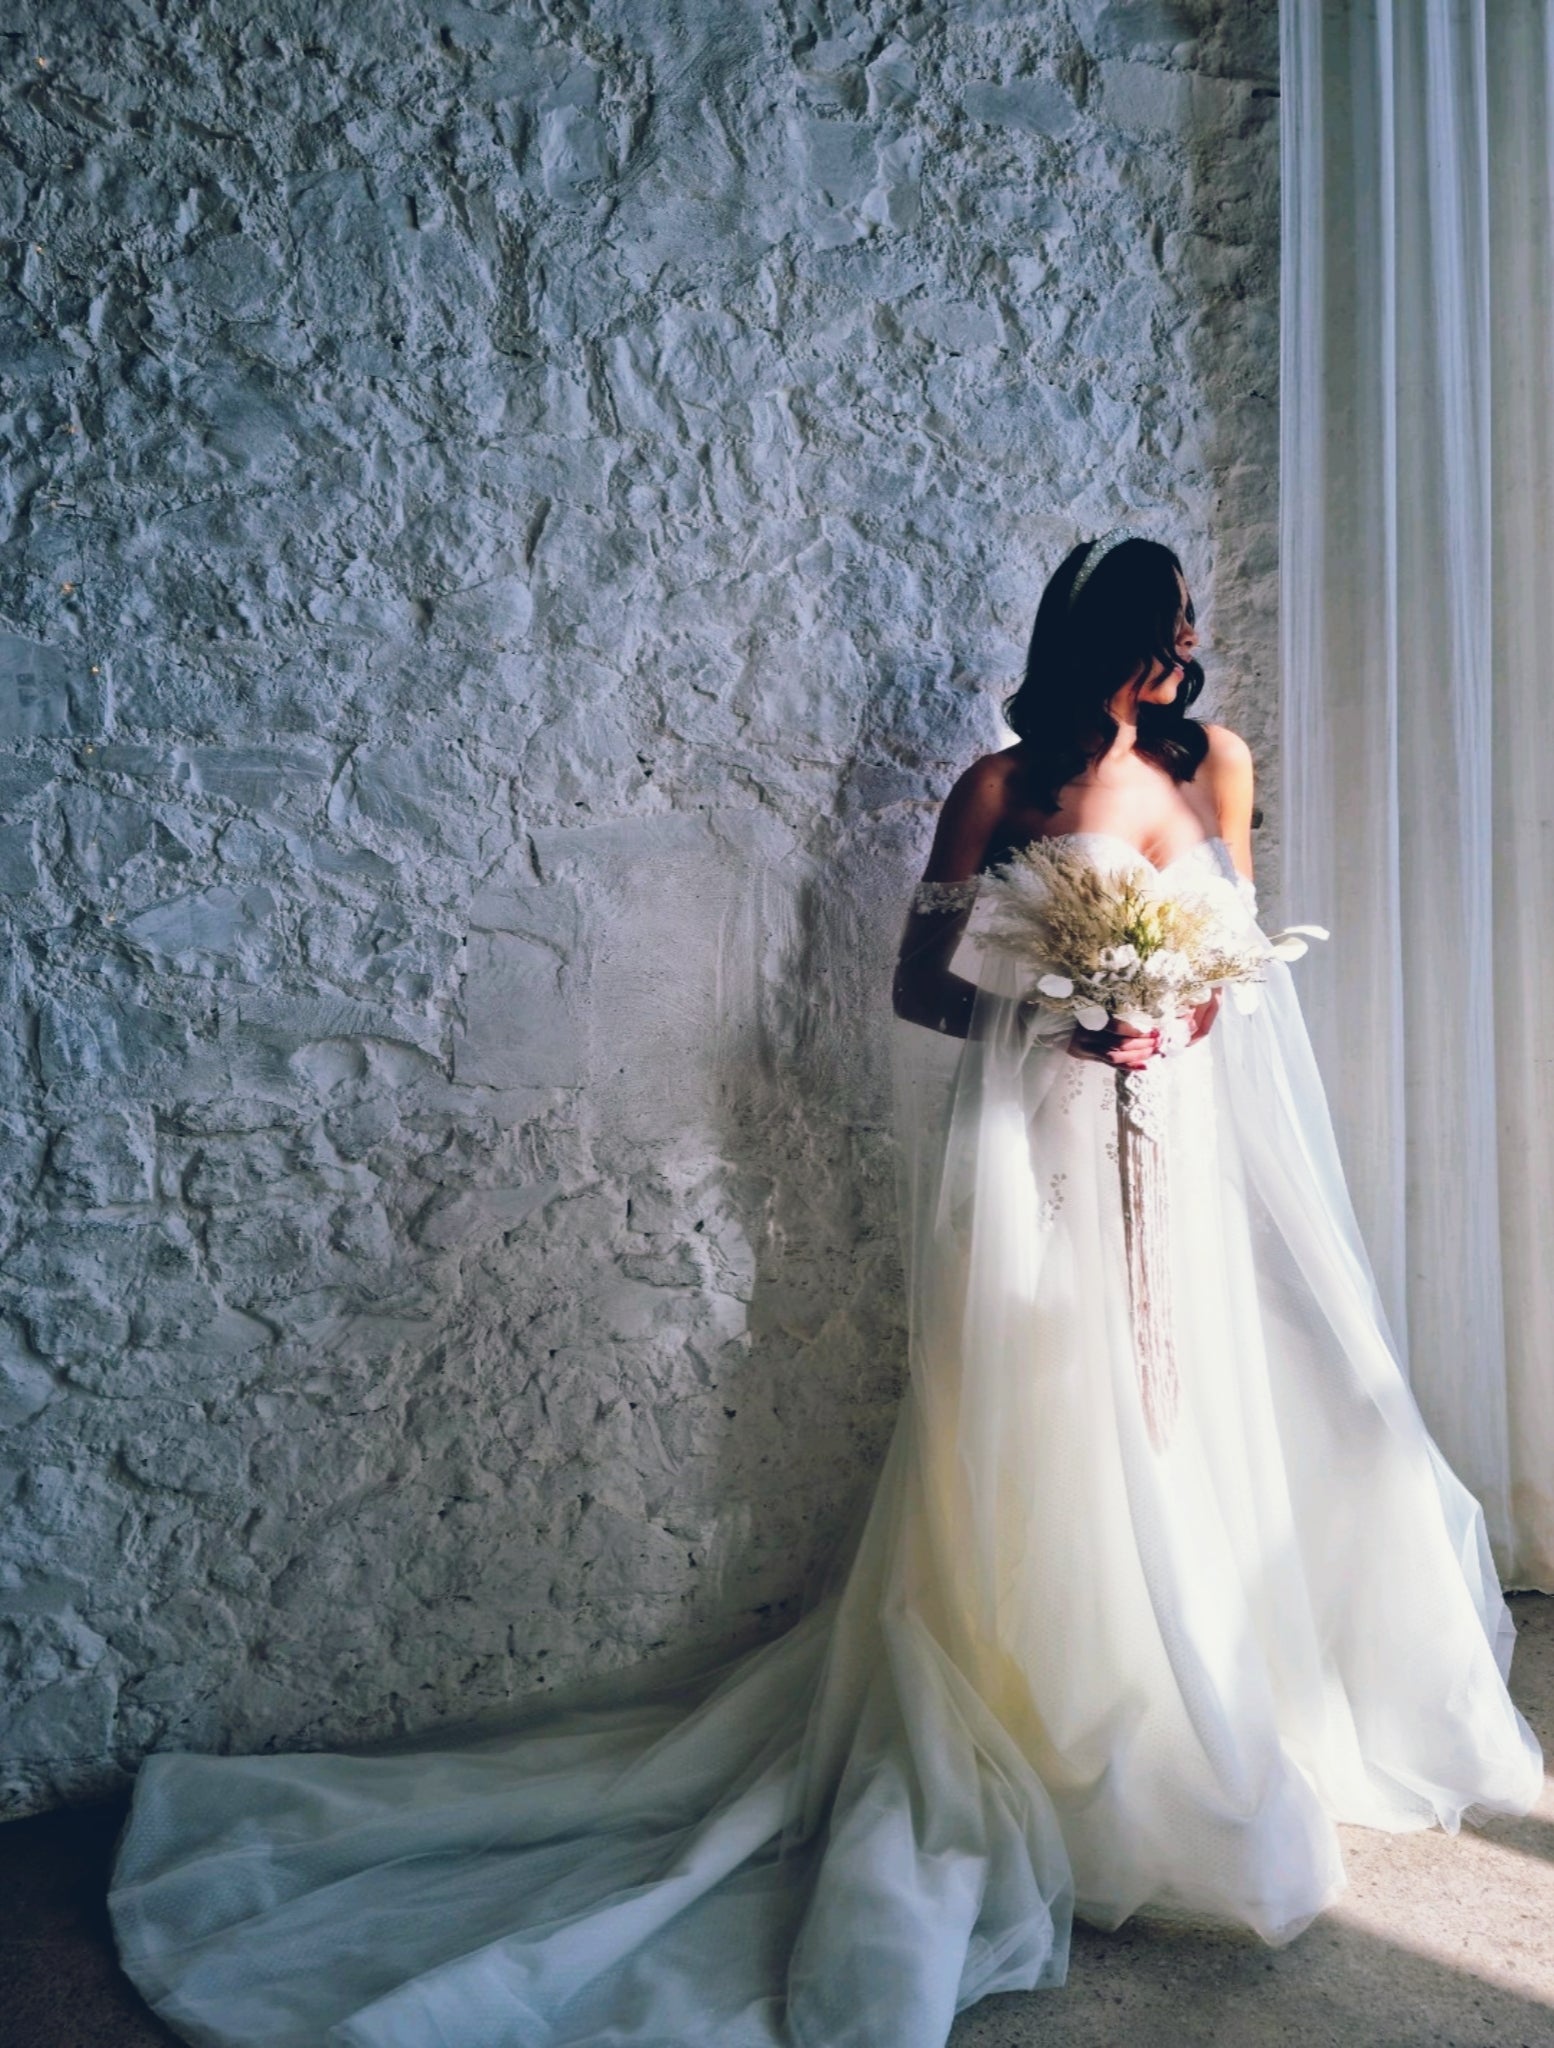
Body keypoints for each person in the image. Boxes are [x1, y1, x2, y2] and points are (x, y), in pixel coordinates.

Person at [107, 531, 1543, 2048]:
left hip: (1176, 1138)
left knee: (1191, 1401)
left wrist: (1166, 1021)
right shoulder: (1003, 791)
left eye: (1184, 629)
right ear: (1097, 643)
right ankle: (1058, 1716)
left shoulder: (1215, 763)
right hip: (1035, 1146)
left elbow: (1241, 951)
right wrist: (1064, 1014)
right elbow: (921, 989)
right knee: (1046, 1412)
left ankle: (1206, 1704)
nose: (1180, 651)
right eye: (1158, 630)